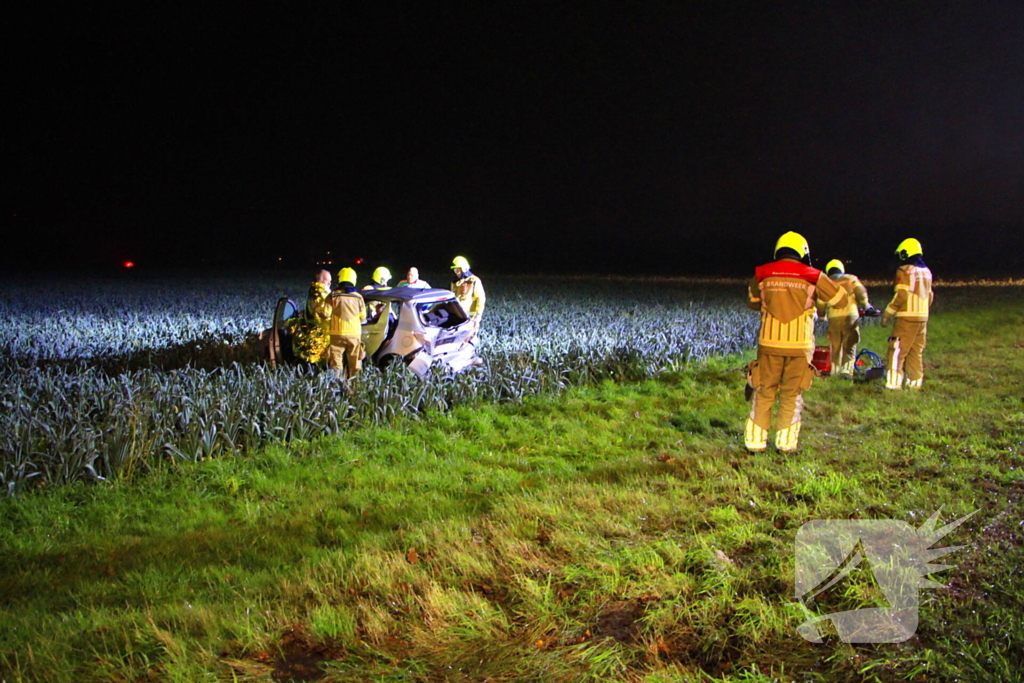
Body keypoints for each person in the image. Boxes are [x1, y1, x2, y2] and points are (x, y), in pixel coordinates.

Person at [745, 232, 848, 454]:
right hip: (800, 346)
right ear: (803, 252)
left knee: (764, 390)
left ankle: (755, 442)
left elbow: (753, 302)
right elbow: (841, 299)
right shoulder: (814, 275)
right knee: (792, 393)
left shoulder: (762, 273)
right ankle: (786, 444)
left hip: (769, 344)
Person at [880, 238, 934, 390]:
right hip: (922, 319)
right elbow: (930, 295)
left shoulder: (905, 271)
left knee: (897, 350)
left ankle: (893, 384)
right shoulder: (927, 272)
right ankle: (915, 382)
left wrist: (887, 314)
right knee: (915, 351)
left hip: (906, 318)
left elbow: (901, 295)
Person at [817, 260, 877, 377]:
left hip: (833, 318)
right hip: (850, 315)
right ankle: (846, 371)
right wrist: (867, 306)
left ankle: (834, 371)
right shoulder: (850, 278)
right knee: (849, 344)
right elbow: (861, 293)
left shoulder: (826, 283)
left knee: (835, 345)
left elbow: (820, 303)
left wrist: (822, 316)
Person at [326, 267, 366, 382]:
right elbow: (363, 317)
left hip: (337, 334)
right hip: (354, 335)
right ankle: (354, 385)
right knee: (355, 363)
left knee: (336, 362)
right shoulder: (358, 297)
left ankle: (338, 385)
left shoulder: (333, 295)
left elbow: (326, 314)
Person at [288, 269, 333, 364]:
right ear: (323, 281)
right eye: (328, 281)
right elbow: (325, 313)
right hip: (317, 336)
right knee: (315, 362)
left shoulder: (314, 291)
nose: (330, 283)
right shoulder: (319, 292)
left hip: (314, 333)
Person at [451, 256, 485, 326]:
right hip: (457, 317)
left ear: (464, 269)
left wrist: (478, 315)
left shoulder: (474, 280)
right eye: (454, 270)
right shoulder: (455, 283)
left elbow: (480, 298)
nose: (456, 272)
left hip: (470, 318)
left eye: (458, 270)